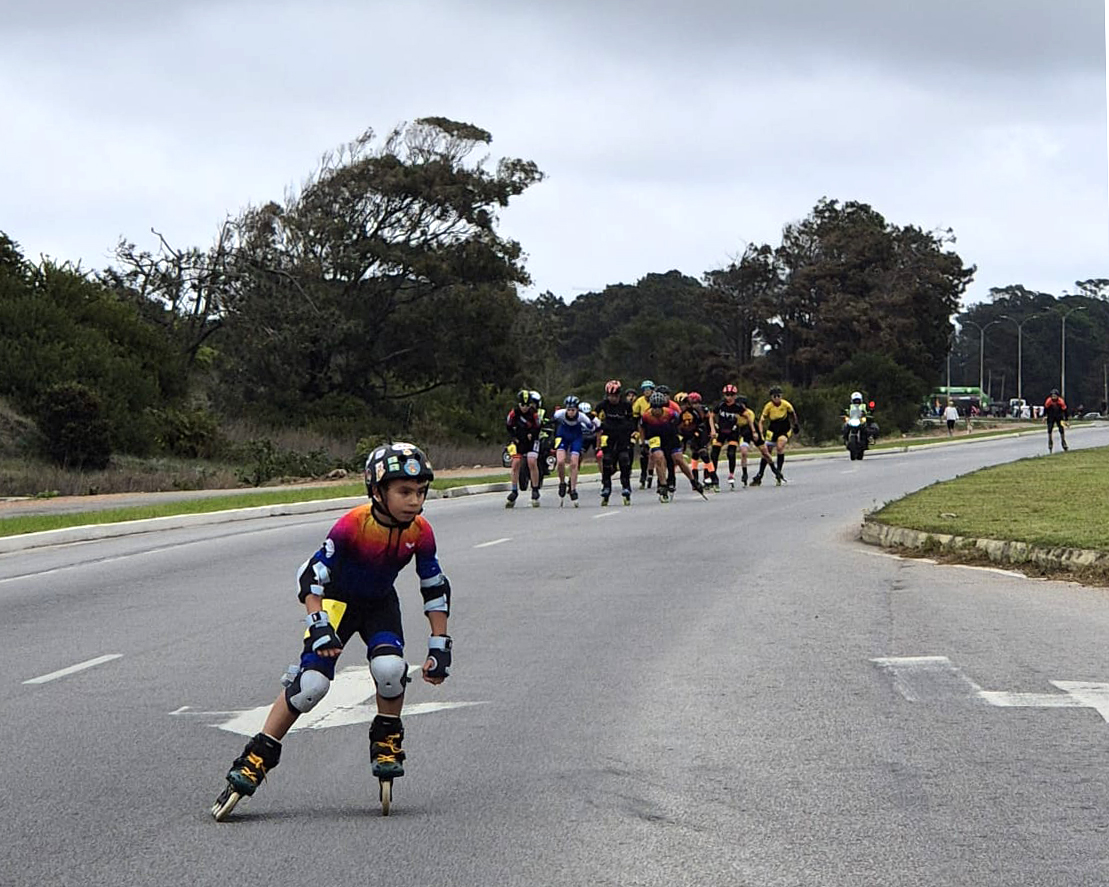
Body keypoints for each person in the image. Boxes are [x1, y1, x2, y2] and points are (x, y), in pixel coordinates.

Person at [211, 442, 452, 821]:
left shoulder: (421, 531)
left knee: (391, 671)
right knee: (311, 687)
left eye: (421, 491)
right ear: (377, 491)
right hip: (335, 604)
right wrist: (318, 622)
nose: (415, 501)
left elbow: (434, 586)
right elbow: (311, 575)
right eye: (404, 491)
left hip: (377, 605)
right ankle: (256, 756)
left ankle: (387, 740)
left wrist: (439, 644)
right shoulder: (354, 524)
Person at [639, 390, 704, 503]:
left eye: (659, 407)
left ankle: (693, 481)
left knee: (678, 458)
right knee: (659, 458)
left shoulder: (670, 413)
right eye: (654, 407)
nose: (657, 410)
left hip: (670, 437)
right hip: (655, 437)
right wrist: (643, 441)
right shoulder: (647, 415)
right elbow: (641, 426)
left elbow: (681, 423)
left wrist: (682, 435)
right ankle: (663, 485)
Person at [595, 380, 637, 505]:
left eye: (615, 396)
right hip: (608, 436)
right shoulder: (603, 405)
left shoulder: (626, 405)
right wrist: (598, 425)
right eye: (610, 396)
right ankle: (606, 486)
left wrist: (632, 435)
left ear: (619, 395)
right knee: (607, 461)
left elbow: (633, 421)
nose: (613, 399)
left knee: (624, 460)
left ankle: (626, 486)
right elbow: (593, 415)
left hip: (623, 436)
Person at [553, 395, 597, 507]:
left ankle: (573, 489)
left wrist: (591, 425)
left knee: (574, 463)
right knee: (561, 461)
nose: (570, 412)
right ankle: (562, 483)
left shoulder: (582, 417)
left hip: (576, 438)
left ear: (577, 409)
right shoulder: (560, 414)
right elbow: (553, 421)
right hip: (563, 435)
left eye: (573, 410)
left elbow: (592, 427)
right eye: (568, 410)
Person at [751, 386, 797, 486]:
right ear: (771, 397)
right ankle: (760, 474)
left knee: (780, 447)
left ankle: (778, 472)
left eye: (778, 396)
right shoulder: (768, 406)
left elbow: (793, 413)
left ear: (781, 396)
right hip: (773, 430)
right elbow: (762, 420)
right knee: (766, 452)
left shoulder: (785, 404)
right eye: (774, 396)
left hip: (784, 429)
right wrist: (760, 432)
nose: (776, 398)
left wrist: (796, 424)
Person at [504, 388, 543, 507]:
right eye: (522, 405)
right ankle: (514, 490)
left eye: (527, 405)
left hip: (532, 441)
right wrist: (514, 437)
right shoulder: (514, 413)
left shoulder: (534, 413)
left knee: (532, 462)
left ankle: (535, 489)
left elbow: (538, 426)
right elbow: (508, 426)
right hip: (519, 440)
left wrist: (532, 433)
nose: (524, 407)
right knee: (515, 463)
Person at [632, 380, 656, 489]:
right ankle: (643, 474)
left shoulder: (656, 399)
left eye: (648, 390)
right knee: (644, 452)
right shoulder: (639, 401)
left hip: (655, 428)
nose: (646, 392)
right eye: (645, 390)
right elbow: (635, 418)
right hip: (644, 429)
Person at [1043, 388, 1069, 453]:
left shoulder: (1061, 401)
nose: (1054, 397)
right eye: (1052, 396)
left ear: (1058, 396)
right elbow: (1045, 409)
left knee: (1061, 429)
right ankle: (1050, 442)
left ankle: (1063, 441)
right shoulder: (1048, 401)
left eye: (1055, 396)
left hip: (1059, 417)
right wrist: (1044, 416)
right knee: (1049, 430)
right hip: (1051, 416)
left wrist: (1066, 419)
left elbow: (1065, 410)